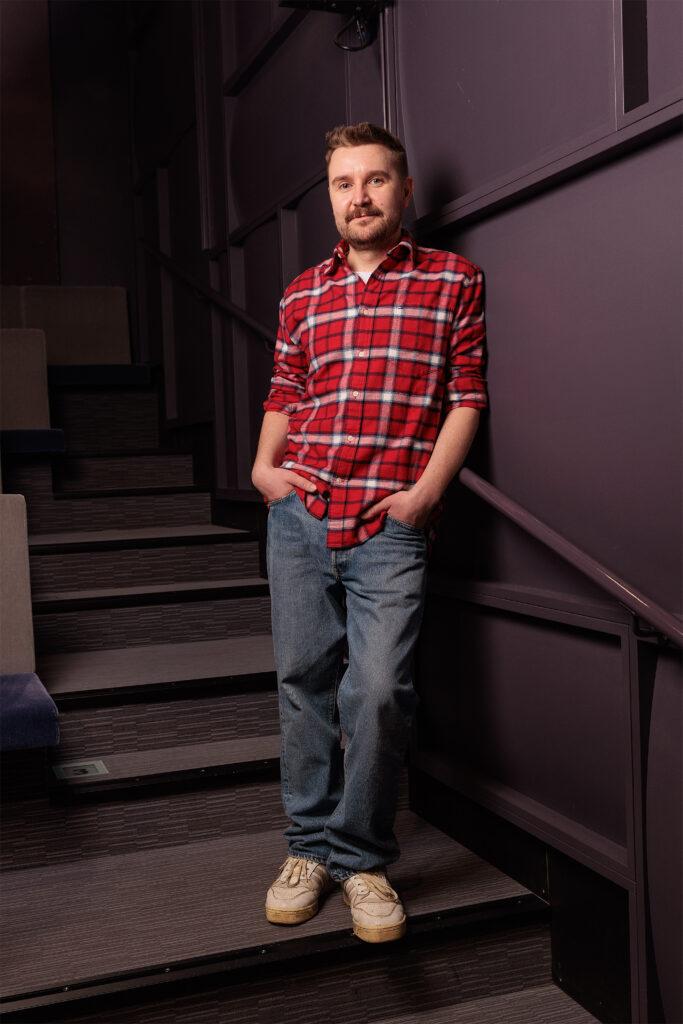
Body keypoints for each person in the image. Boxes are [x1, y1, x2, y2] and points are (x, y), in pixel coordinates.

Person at [251, 121, 488, 943]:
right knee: (303, 686)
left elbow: (466, 396)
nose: (359, 196)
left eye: (375, 180)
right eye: (344, 183)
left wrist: (424, 496)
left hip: (389, 523)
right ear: (330, 195)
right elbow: (285, 390)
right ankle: (307, 849)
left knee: (380, 692)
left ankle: (358, 857)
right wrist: (263, 469)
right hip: (299, 515)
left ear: (404, 190)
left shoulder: (452, 280)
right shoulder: (301, 292)